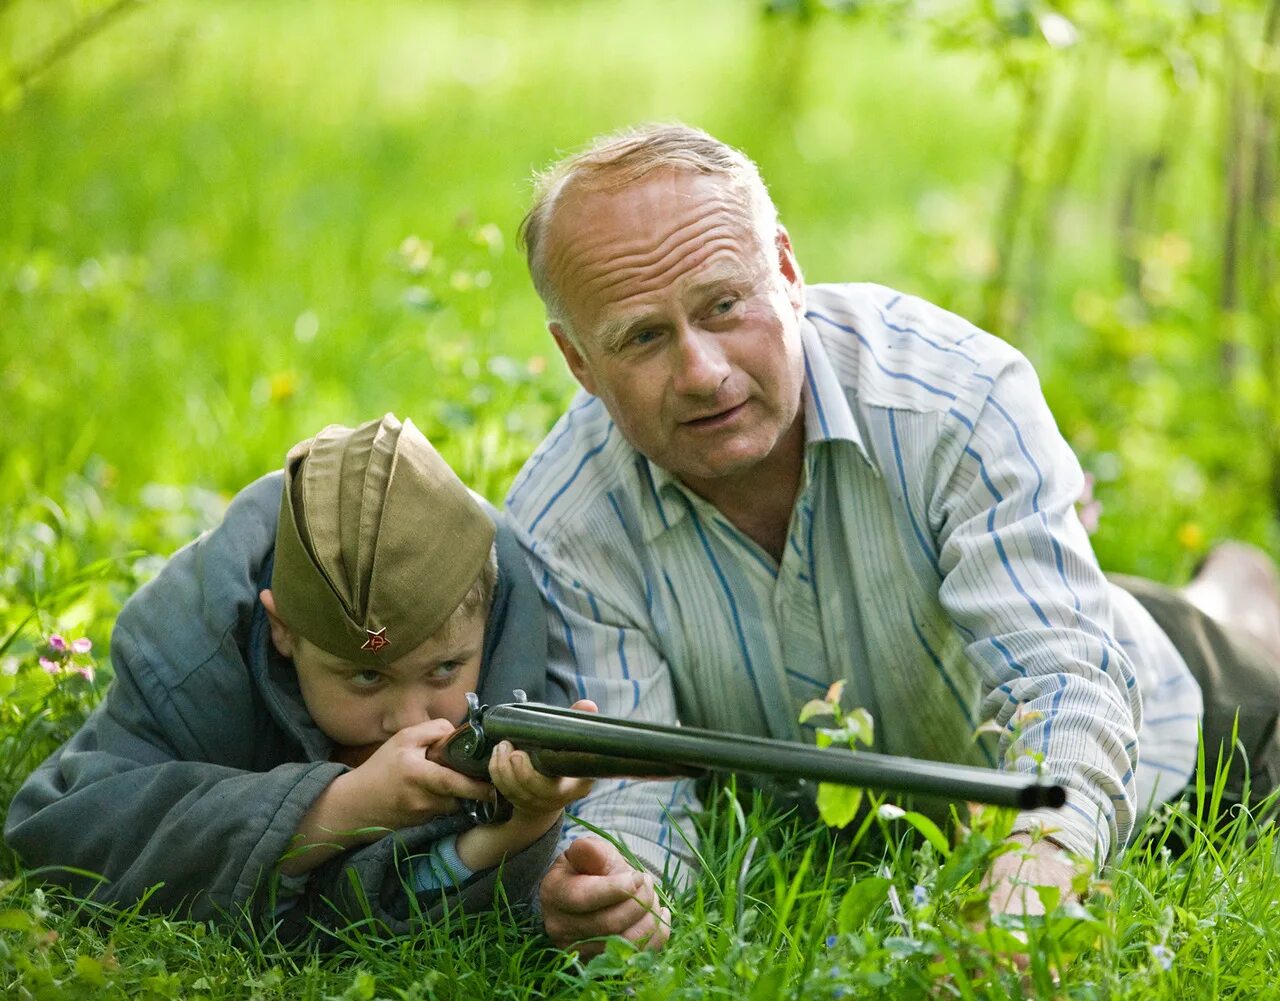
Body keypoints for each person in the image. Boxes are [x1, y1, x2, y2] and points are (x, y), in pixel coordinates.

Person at [504, 123, 1280, 954]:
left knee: (1213, 638)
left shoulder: (955, 396)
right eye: (643, 337)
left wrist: (1041, 855)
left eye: (724, 305)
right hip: (877, 790)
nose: (702, 372)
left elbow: (1067, 679)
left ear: (789, 270)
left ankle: (1237, 593)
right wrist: (622, 890)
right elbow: (629, 792)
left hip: (1179, 728)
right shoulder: (561, 522)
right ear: (578, 360)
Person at [5, 414, 592, 937]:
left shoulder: (505, 604)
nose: (414, 720)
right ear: (282, 629)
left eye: (444, 668)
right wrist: (339, 809)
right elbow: (54, 837)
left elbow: (383, 904)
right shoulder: (186, 651)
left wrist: (524, 825)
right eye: (365, 678)